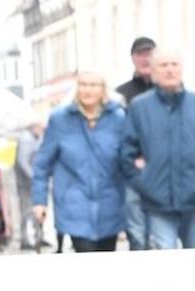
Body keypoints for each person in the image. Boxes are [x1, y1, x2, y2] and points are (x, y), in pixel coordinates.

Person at [120, 48, 195, 250]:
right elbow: (127, 152)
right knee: (165, 264)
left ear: (182, 69)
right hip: (157, 201)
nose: (169, 70)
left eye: (174, 64)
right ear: (153, 71)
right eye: (163, 65)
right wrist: (145, 180)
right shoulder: (139, 107)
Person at [32, 72, 128, 252]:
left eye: (94, 85)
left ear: (103, 90)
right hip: (74, 204)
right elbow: (42, 163)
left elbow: (127, 161)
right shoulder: (60, 119)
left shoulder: (118, 118)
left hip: (110, 203)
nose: (88, 90)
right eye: (83, 85)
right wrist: (40, 200)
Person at [115, 37, 158, 248]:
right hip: (133, 171)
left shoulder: (168, 90)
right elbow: (117, 135)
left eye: (149, 53)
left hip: (162, 170)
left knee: (161, 236)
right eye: (140, 54)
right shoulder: (120, 95)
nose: (145, 58)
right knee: (138, 235)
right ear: (133, 58)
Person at [14, 119, 45, 249]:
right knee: (26, 210)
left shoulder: (34, 137)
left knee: (35, 209)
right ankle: (25, 239)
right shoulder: (26, 138)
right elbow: (23, 162)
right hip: (26, 182)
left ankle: (38, 237)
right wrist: (34, 177)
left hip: (31, 181)